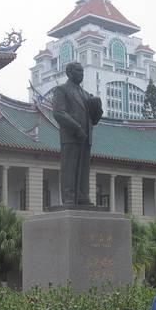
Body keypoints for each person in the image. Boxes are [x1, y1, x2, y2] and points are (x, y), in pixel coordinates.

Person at [52, 62, 103, 206]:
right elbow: (59, 112)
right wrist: (77, 128)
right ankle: (69, 196)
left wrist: (97, 107)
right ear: (69, 73)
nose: (81, 74)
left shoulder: (86, 94)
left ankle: (82, 195)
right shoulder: (61, 90)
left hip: (86, 137)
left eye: (82, 71)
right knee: (69, 167)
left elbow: (94, 119)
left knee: (84, 169)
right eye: (78, 71)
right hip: (71, 136)